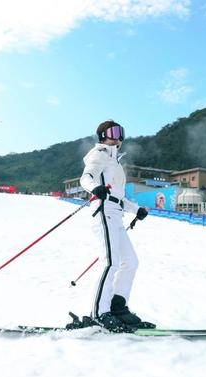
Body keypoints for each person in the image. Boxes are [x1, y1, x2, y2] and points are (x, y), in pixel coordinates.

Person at [78, 120, 152, 332]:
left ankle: (117, 307)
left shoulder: (116, 163)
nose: (118, 137)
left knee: (130, 262)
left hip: (116, 214)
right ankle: (99, 313)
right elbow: (86, 177)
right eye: (113, 132)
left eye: (121, 133)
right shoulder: (98, 154)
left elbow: (118, 197)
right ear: (102, 135)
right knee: (110, 262)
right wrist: (95, 188)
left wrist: (135, 209)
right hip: (103, 212)